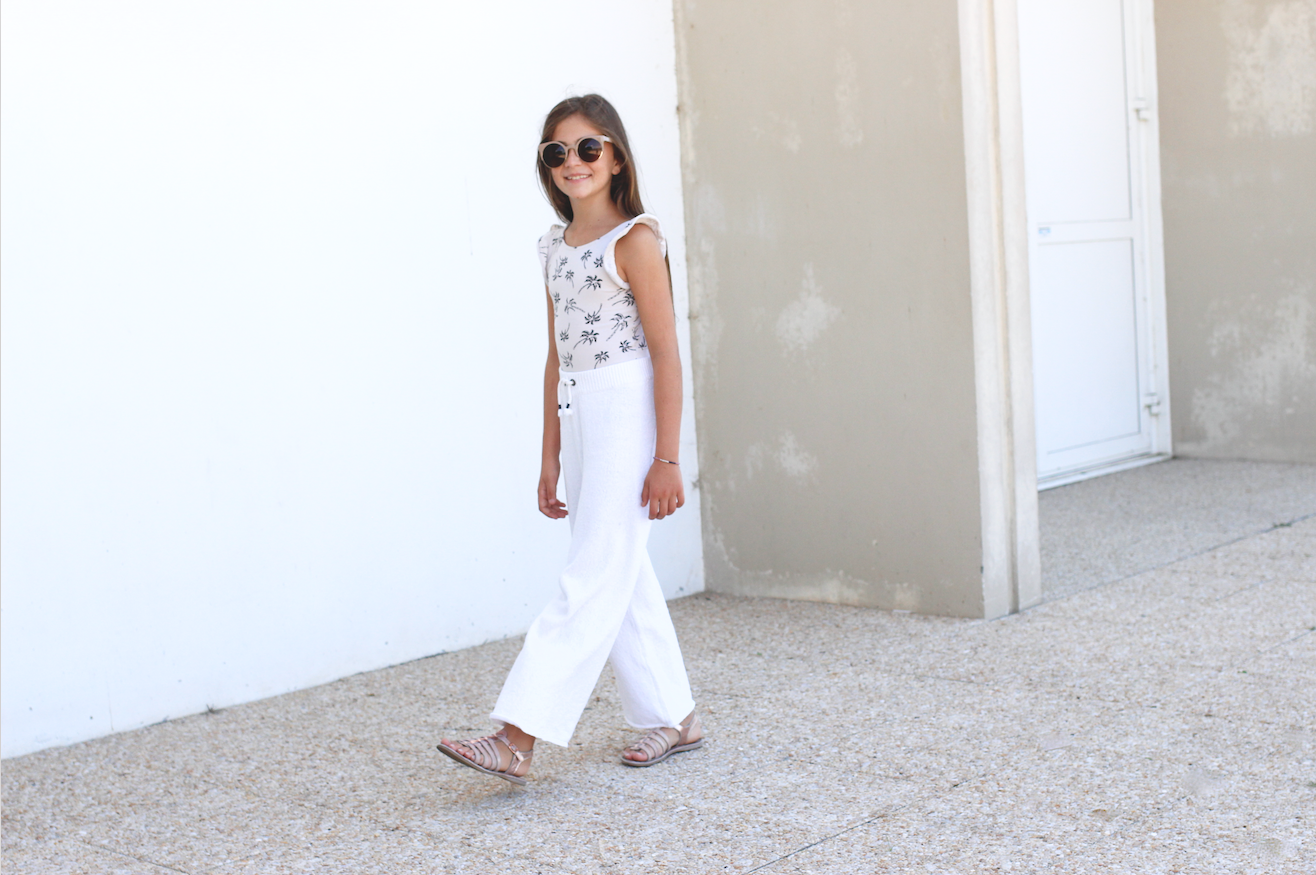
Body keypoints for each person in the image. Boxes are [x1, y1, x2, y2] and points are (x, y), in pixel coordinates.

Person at [436, 94, 703, 786]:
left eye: (588, 148)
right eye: (557, 152)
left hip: (627, 408)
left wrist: (667, 456)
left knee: (593, 571)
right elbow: (557, 354)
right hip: (580, 408)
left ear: (616, 157)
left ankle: (517, 735)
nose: (573, 162)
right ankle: (675, 715)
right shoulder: (553, 247)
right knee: (618, 566)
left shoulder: (635, 241)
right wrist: (549, 454)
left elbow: (666, 354)